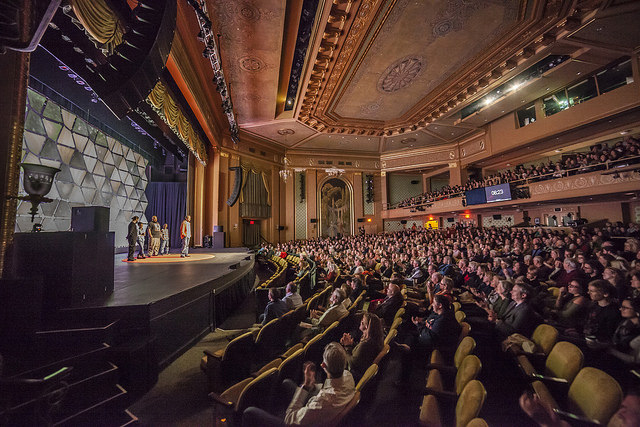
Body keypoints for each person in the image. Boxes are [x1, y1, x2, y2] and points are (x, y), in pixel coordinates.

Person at [242, 342, 356, 426]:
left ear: (323, 366)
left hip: (299, 419)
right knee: (286, 383)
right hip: (325, 411)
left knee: (249, 412)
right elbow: (329, 388)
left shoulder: (322, 402)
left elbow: (289, 419)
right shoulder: (348, 376)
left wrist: (305, 386)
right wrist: (310, 386)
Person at [340, 313, 384, 382]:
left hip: (354, 375)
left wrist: (347, 346)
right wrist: (351, 343)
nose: (361, 321)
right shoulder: (372, 338)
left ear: (366, 326)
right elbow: (359, 353)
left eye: (363, 320)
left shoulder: (366, 344)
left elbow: (352, 363)